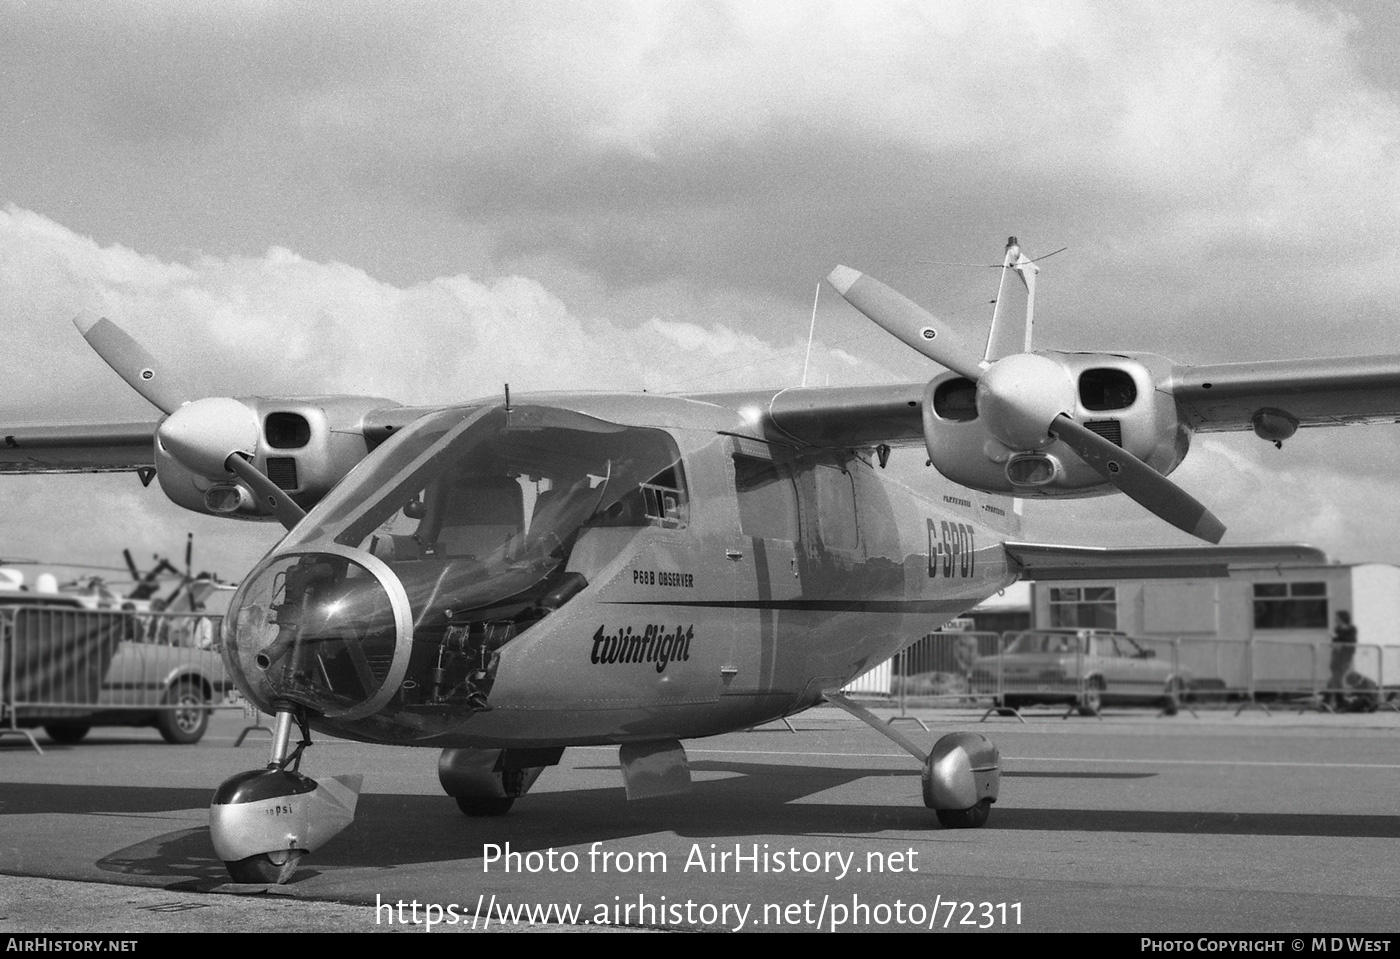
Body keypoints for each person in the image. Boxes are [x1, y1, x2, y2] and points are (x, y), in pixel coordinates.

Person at [1327, 610, 1357, 708]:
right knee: (1337, 680)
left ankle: (1327, 701)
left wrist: (1338, 637)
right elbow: (1334, 640)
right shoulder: (1337, 629)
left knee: (1334, 680)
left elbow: (1351, 640)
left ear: (1342, 618)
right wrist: (1336, 638)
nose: (1335, 620)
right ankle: (1340, 703)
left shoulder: (1352, 629)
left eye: (1337, 618)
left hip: (1345, 657)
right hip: (1336, 655)